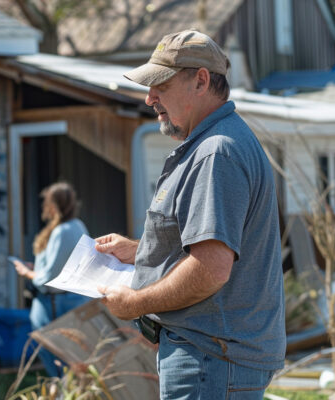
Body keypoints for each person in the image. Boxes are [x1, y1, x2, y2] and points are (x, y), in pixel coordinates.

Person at [94, 30, 285, 399]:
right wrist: (140, 251)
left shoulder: (216, 153)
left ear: (200, 80)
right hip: (214, 356)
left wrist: (134, 303)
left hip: (210, 358)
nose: (150, 98)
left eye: (159, 85)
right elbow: (207, 244)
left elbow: (211, 268)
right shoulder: (213, 144)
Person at [12, 182, 89, 377]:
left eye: (46, 202)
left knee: (59, 361)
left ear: (53, 205)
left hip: (54, 304)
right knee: (73, 358)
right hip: (70, 300)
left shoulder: (62, 231)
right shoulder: (77, 225)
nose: (44, 207)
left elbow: (49, 277)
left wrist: (26, 272)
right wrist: (36, 268)